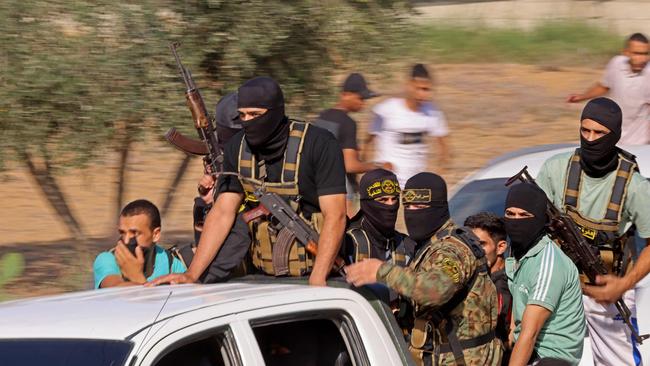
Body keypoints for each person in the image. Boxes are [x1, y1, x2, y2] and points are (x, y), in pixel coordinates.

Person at [152, 76, 347, 287]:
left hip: (319, 274)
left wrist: (317, 279)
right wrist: (192, 275)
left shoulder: (318, 144)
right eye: (242, 115)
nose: (248, 121)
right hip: (261, 276)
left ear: (275, 112)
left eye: (255, 114)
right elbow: (222, 213)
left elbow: (335, 215)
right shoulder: (238, 147)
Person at [345, 172, 502, 365]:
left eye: (420, 206)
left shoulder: (451, 249)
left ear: (438, 208)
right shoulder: (429, 245)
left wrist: (381, 271)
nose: (412, 212)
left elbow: (435, 291)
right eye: (408, 206)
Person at [537, 97, 650, 365]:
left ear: (615, 136)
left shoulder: (634, 186)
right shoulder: (556, 169)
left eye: (599, 133)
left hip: (606, 293)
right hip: (559, 289)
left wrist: (624, 284)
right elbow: (531, 224)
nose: (590, 139)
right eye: (584, 130)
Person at [503, 183, 585, 365]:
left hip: (550, 356)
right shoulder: (518, 253)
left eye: (524, 215)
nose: (516, 221)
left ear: (539, 219)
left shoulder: (549, 262)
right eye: (510, 214)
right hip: (526, 347)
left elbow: (529, 333)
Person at [367, 64, 449, 187]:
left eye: (427, 90)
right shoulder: (387, 109)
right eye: (419, 89)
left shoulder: (433, 112)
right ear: (409, 85)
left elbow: (444, 147)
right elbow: (368, 142)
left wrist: (438, 175)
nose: (424, 94)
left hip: (416, 184)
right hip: (387, 182)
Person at [315, 73, 381, 217]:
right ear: (345, 94)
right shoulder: (348, 123)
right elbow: (350, 165)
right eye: (360, 98)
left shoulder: (321, 117)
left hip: (319, 190)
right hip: (342, 193)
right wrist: (377, 167)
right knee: (348, 234)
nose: (363, 103)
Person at [567, 33, 650, 145]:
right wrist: (582, 97)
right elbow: (604, 85)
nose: (642, 59)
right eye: (637, 53)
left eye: (646, 54)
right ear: (626, 52)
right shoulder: (616, 63)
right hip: (611, 136)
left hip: (637, 143)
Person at [93, 199, 185, 288]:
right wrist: (136, 275)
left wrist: (137, 277)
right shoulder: (107, 259)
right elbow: (114, 288)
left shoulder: (171, 263)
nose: (126, 241)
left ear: (155, 235)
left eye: (134, 233)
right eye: (122, 233)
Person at [464, 212, 512, 364]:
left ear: (501, 247)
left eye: (481, 244)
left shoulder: (501, 286)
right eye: (469, 243)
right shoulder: (480, 277)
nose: (473, 250)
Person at [341, 168, 414, 266]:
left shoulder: (407, 245)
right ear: (367, 203)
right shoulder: (348, 243)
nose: (390, 205)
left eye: (394, 199)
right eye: (383, 200)